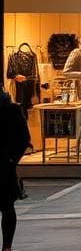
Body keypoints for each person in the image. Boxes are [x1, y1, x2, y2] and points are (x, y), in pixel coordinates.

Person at [0, 89, 29, 251]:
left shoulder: (11, 110)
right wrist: (12, 159)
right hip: (5, 165)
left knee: (7, 207)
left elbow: (24, 139)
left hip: (5, 164)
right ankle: (7, 246)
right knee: (7, 206)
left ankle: (7, 246)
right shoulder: (12, 109)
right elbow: (24, 138)